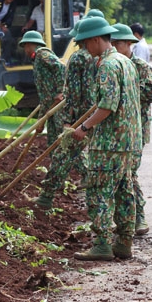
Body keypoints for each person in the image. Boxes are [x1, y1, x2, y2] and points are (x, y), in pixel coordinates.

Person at [71, 17, 142, 261]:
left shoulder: (107, 66)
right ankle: (124, 243)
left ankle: (101, 244)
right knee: (125, 191)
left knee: (99, 192)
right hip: (129, 143)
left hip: (109, 143)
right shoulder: (127, 62)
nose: (85, 50)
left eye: (85, 44)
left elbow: (108, 106)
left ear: (95, 39)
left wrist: (84, 127)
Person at [33, 11, 102, 209]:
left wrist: (68, 121)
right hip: (101, 116)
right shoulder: (108, 57)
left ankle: (46, 198)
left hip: (82, 117)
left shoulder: (78, 58)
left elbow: (72, 94)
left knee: (63, 154)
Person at [111, 23, 152, 236]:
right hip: (116, 129)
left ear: (130, 44)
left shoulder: (140, 66)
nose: (114, 47)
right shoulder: (111, 65)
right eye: (112, 43)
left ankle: (138, 217)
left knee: (129, 172)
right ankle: (125, 219)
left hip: (136, 128)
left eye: (118, 43)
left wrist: (128, 88)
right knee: (120, 174)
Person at [18, 30, 65, 148]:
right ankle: (56, 164)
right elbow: (44, 98)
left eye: (25, 46)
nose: (25, 50)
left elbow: (60, 67)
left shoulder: (42, 54)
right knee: (53, 141)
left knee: (62, 137)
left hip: (58, 105)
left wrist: (61, 91)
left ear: (29, 44)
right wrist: (40, 121)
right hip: (51, 105)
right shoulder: (37, 60)